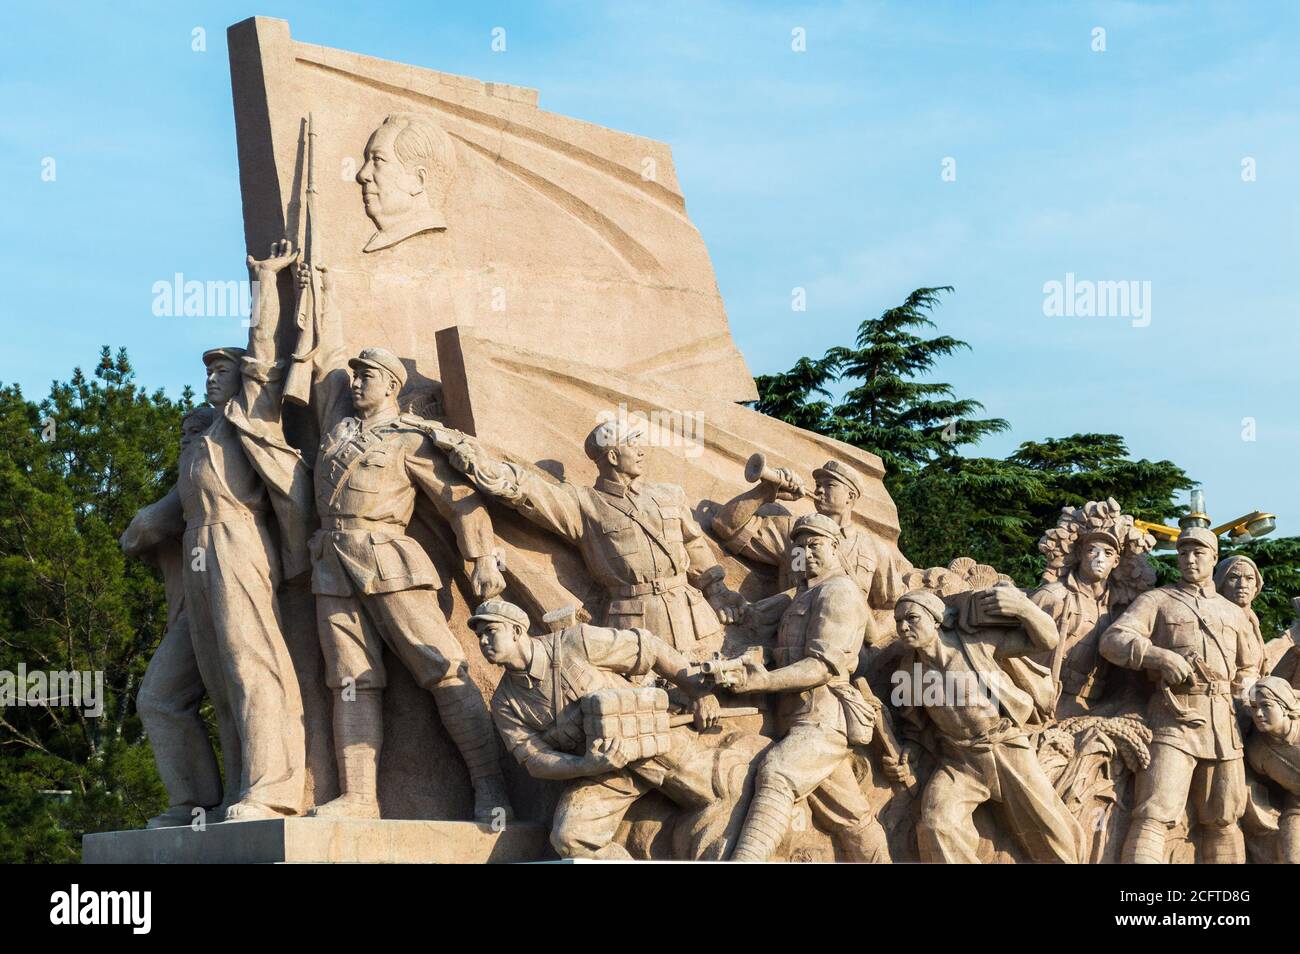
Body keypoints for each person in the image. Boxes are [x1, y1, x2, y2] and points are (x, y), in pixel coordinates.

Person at [301, 261, 510, 822]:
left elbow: (456, 497)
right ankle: (360, 798)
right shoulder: (337, 432)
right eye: (355, 375)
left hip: (389, 560)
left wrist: (482, 556)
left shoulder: (409, 437)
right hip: (331, 563)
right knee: (350, 681)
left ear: (391, 385)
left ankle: (491, 787)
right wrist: (315, 292)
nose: (356, 382)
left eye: (366, 375)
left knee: (443, 667)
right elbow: (320, 361)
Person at [470, 600, 747, 859]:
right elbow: (535, 760)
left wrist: (697, 691)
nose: (483, 641)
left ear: (517, 631)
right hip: (604, 772)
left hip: (655, 742)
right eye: (479, 635)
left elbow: (647, 648)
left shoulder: (575, 643)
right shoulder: (504, 702)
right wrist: (587, 765)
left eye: (490, 631)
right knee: (570, 838)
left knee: (728, 794)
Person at [726, 513, 889, 862]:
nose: (806, 553)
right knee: (852, 817)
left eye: (815, 545)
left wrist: (766, 680)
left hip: (823, 717)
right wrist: (760, 658)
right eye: (799, 547)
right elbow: (790, 652)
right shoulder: (803, 594)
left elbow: (821, 666)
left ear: (835, 547)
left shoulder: (839, 592)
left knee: (778, 772)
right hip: (792, 715)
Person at [1099, 527, 1261, 863]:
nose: (1189, 559)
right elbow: (1113, 640)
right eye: (1184, 552)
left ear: (1214, 558)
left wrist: (1243, 696)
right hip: (1174, 718)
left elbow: (1249, 665)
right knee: (1155, 810)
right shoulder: (1157, 600)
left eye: (1198, 553)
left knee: (1224, 817)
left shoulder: (1232, 612)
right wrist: (1158, 656)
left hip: (1223, 726)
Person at [888, 587, 1081, 863]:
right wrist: (910, 747)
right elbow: (915, 727)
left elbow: (1046, 641)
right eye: (898, 621)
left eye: (911, 618)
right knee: (937, 822)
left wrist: (1024, 609)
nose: (903, 627)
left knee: (1048, 827)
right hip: (960, 762)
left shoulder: (974, 643)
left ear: (934, 619)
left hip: (1005, 747)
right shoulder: (908, 672)